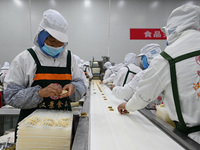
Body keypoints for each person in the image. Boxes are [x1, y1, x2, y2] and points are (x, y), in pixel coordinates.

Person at [118, 4, 200, 144]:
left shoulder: (167, 58)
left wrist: (127, 106)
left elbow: (143, 95)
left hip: (192, 139)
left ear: (172, 29)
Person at [3, 9, 87, 140]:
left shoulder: (70, 58)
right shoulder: (25, 59)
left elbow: (81, 83)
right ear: (41, 36)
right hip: (31, 130)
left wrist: (74, 87)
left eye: (60, 43)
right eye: (52, 41)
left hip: (62, 129)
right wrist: (39, 93)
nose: (56, 46)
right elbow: (10, 95)